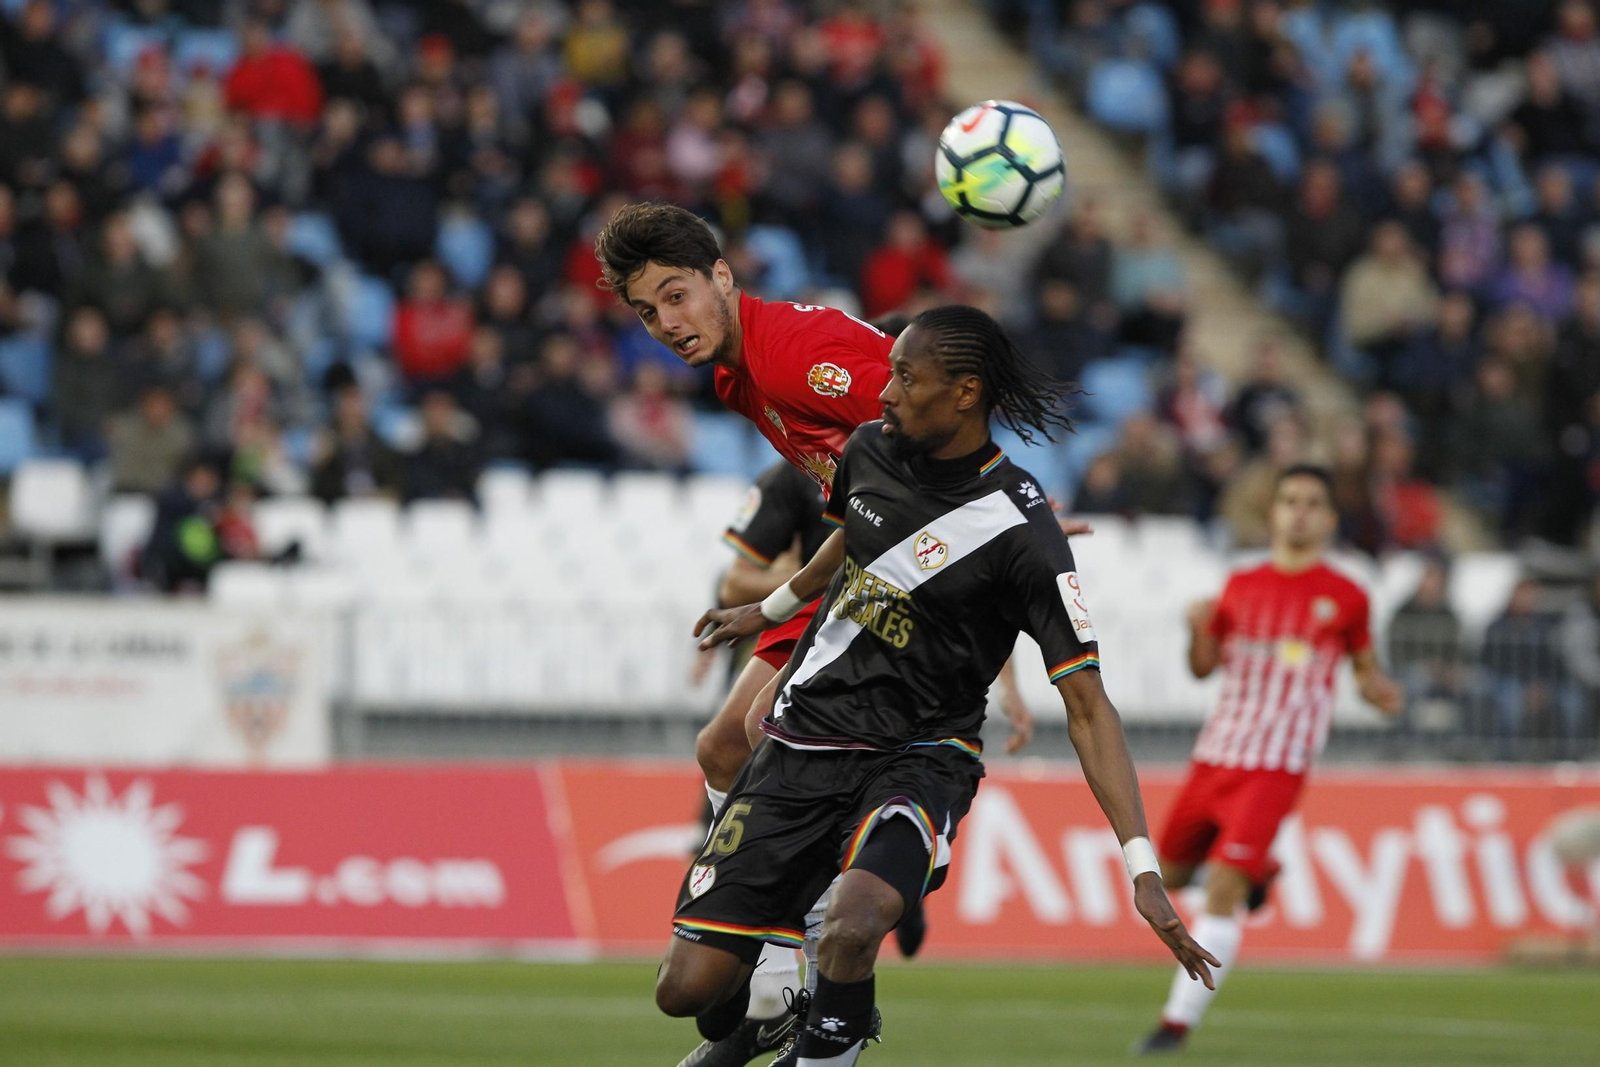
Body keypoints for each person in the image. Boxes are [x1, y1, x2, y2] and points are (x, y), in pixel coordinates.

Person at [671, 306, 1217, 1067]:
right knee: (686, 990)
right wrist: (765, 610)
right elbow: (849, 542)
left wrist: (1143, 868)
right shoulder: (867, 450)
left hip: (921, 753)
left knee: (855, 925)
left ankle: (824, 1047)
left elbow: (1090, 708)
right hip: (807, 733)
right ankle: (754, 1008)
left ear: (965, 393)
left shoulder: (1027, 534)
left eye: (904, 375)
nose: (883, 392)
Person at [1136, 465, 1404, 1053]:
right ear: (1274, 512)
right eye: (1290, 501)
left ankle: (1175, 1024)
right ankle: (1265, 870)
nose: (1300, 512)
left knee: (1222, 890)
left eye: (1312, 503)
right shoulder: (1241, 584)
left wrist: (1381, 691)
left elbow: (1365, 672)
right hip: (1214, 757)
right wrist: (1195, 630)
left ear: (1330, 519)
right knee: (1171, 878)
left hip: (1276, 766)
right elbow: (1204, 667)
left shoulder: (1348, 596)